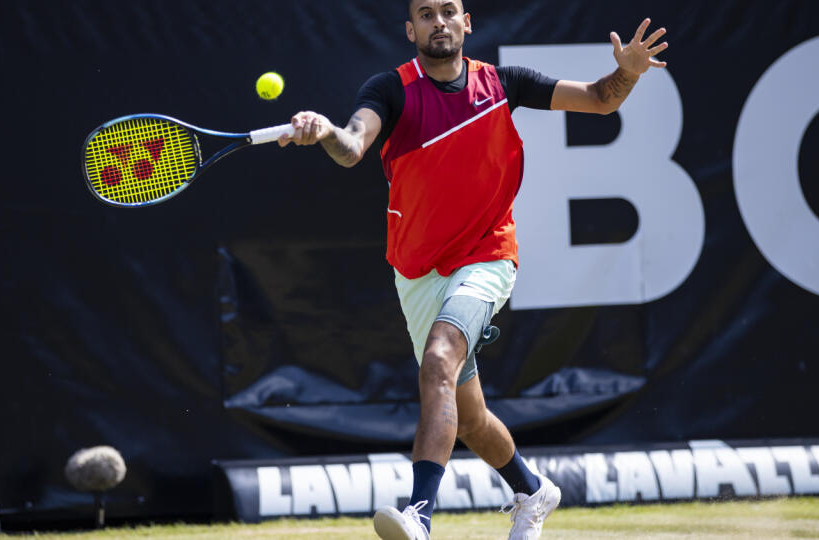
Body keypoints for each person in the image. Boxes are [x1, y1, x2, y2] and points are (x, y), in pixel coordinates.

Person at [278, 1, 668, 538]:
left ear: (467, 23)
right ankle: (532, 490)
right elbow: (352, 147)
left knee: (439, 359)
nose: (438, 21)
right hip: (415, 272)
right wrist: (323, 130)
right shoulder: (389, 89)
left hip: (486, 255)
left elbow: (601, 100)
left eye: (449, 11)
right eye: (425, 13)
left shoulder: (505, 84)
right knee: (471, 418)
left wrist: (627, 71)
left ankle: (419, 513)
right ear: (409, 29)